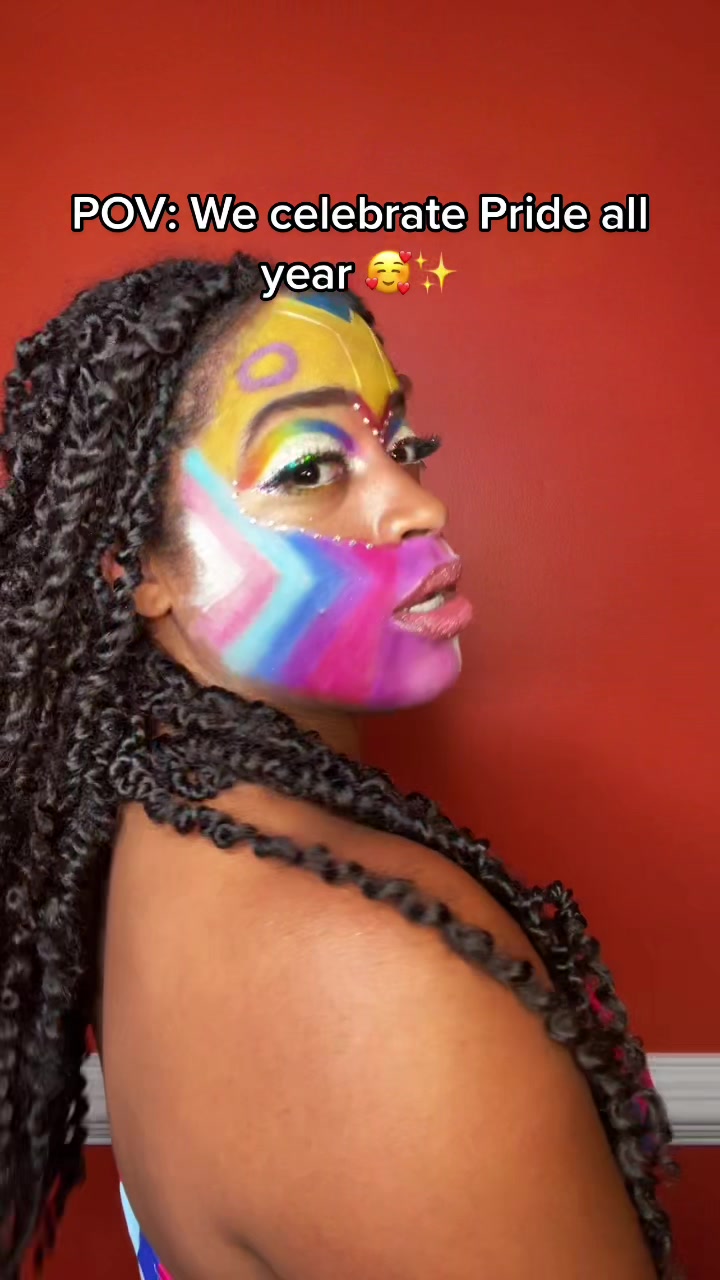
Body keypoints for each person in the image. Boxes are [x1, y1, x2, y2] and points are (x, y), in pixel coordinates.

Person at [0, 255, 678, 1280]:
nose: (418, 507)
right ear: (134, 569)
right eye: (312, 468)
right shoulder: (376, 971)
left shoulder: (157, 850)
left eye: (404, 446)